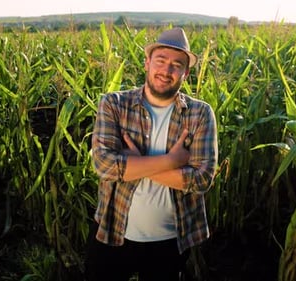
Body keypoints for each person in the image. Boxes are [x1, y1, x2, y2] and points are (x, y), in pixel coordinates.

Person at [85, 27, 218, 281]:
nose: (166, 71)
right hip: (113, 231)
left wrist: (134, 163)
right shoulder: (114, 104)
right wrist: (173, 161)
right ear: (147, 63)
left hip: (170, 239)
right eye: (160, 61)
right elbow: (103, 165)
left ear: (186, 73)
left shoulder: (200, 114)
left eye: (176, 65)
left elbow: (202, 180)